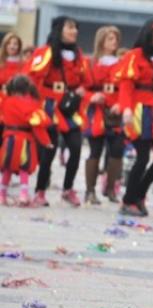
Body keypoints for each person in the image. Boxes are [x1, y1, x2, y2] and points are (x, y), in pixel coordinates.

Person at [114, 18, 153, 216]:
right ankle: (127, 202)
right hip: (140, 111)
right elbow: (126, 85)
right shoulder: (135, 56)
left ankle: (139, 195)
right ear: (148, 34)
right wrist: (126, 109)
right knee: (141, 158)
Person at [25, 16, 91, 207]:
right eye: (70, 27)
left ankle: (67, 189)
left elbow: (86, 81)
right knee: (49, 151)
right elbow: (32, 78)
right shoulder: (45, 52)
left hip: (70, 107)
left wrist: (81, 91)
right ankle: (40, 191)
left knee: (76, 147)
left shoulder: (78, 55)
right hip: (50, 106)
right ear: (59, 30)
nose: (75, 31)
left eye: (76, 28)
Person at [83, 26, 123, 205]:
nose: (114, 42)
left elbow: (127, 88)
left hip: (116, 110)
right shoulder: (90, 63)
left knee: (116, 151)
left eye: (115, 39)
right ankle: (90, 191)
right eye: (110, 39)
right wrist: (92, 97)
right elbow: (81, 88)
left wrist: (121, 104)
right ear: (101, 41)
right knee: (95, 150)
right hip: (97, 111)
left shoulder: (122, 64)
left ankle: (110, 189)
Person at [0, 75, 53, 206]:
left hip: (8, 139)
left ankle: (2, 195)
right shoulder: (32, 104)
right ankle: (23, 195)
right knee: (24, 168)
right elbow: (37, 126)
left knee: (7, 168)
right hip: (24, 140)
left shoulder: (6, 102)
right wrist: (46, 142)